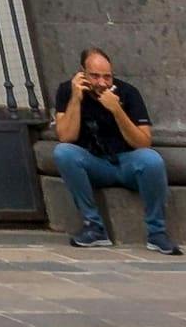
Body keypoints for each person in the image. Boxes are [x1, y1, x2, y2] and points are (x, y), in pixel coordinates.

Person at [46, 49, 177, 254]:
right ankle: (94, 226)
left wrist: (116, 109)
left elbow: (143, 142)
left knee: (152, 160)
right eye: (95, 76)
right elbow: (65, 136)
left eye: (107, 76)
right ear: (82, 74)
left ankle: (157, 232)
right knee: (63, 153)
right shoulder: (67, 91)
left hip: (126, 162)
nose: (102, 83)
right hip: (93, 163)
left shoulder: (128, 93)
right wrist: (76, 99)